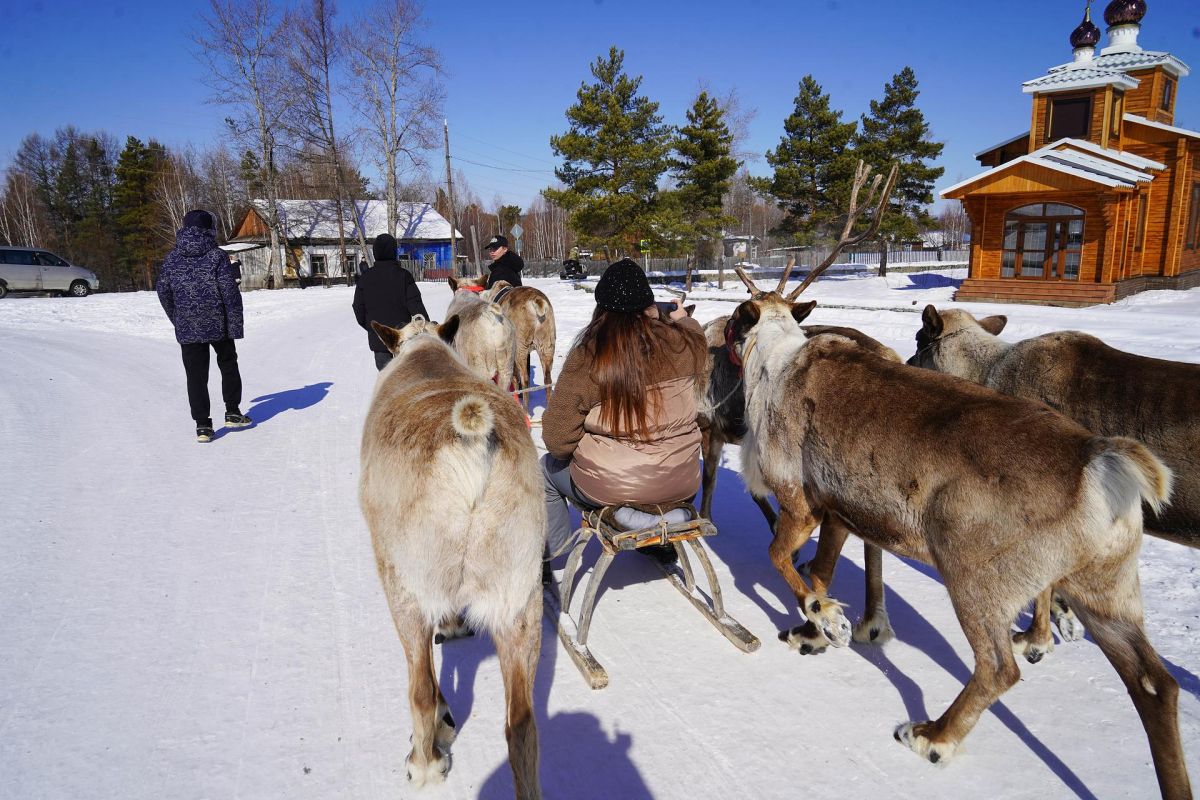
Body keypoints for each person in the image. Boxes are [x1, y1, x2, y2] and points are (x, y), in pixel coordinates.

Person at [540, 258, 706, 565]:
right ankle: (661, 526)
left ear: (601, 310)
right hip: (682, 479)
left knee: (545, 470)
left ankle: (554, 555)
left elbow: (556, 440)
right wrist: (677, 318)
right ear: (649, 306)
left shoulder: (589, 356)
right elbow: (695, 331)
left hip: (615, 486)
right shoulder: (685, 344)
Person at [157, 209, 253, 443]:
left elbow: (163, 291)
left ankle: (202, 426)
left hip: (188, 326)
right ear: (210, 229)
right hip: (217, 322)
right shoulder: (217, 256)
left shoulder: (172, 258)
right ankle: (232, 412)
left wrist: (178, 317)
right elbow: (229, 293)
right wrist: (235, 325)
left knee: (195, 376)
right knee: (228, 364)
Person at [353, 232, 429, 371]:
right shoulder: (403, 276)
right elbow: (416, 305)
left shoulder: (365, 278)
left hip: (379, 339)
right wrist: (426, 327)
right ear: (394, 251)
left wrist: (373, 328)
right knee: (406, 378)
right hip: (404, 338)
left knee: (388, 379)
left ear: (375, 252)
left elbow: (358, 308)